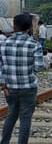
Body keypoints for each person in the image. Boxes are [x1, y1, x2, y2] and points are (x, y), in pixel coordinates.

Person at [0, 14, 43, 144]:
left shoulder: (4, 43)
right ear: (29, 27)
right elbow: (39, 67)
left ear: (14, 26)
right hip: (28, 87)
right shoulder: (34, 45)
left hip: (10, 87)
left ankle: (4, 142)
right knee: (25, 118)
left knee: (11, 114)